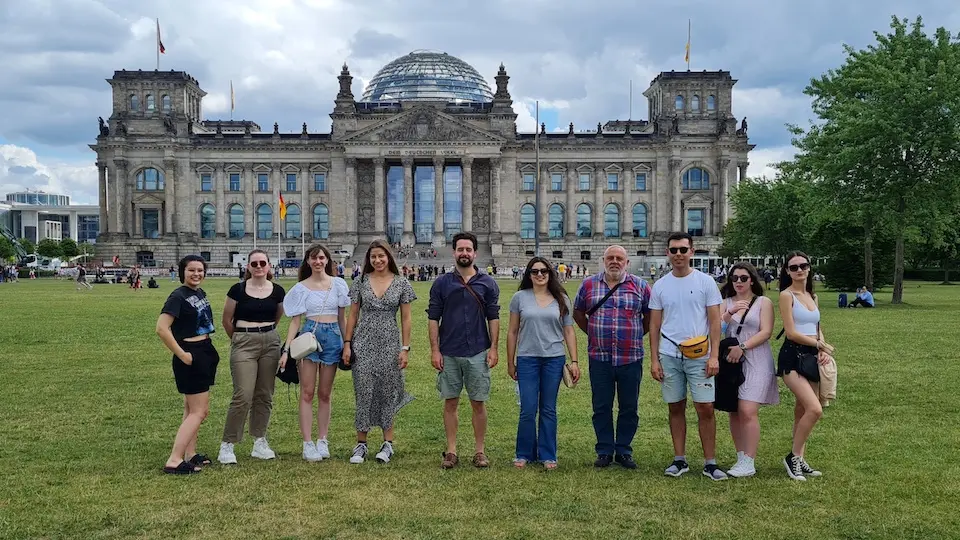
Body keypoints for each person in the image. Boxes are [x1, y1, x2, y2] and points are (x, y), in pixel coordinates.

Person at [649, 232, 727, 480]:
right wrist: (654, 359)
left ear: (692, 252)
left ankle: (710, 462)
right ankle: (679, 459)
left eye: (683, 250)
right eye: (674, 250)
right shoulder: (660, 285)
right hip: (670, 355)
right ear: (667, 253)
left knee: (705, 407)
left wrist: (714, 356)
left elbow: (715, 322)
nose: (679, 254)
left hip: (700, 355)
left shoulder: (706, 282)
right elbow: (654, 326)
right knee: (675, 406)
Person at [573, 246, 651, 469]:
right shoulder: (589, 285)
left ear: (627, 263)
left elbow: (650, 317)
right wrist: (594, 333)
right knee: (601, 405)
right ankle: (605, 450)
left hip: (631, 356)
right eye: (610, 258)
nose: (614, 262)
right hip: (600, 357)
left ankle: (624, 450)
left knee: (629, 406)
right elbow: (578, 312)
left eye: (619, 258)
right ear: (603, 261)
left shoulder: (641, 286)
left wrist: (635, 334)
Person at [428, 232, 500, 469]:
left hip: (478, 351)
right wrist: (435, 350)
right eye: (460, 249)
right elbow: (433, 319)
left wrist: (494, 349)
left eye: (468, 250)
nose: (464, 253)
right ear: (454, 252)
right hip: (449, 351)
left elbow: (494, 317)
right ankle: (451, 451)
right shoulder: (441, 283)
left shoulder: (487, 283)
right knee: (450, 402)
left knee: (478, 403)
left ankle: (479, 451)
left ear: (475, 253)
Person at [341, 240, 417, 464]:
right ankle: (361, 444)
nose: (378, 260)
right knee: (363, 391)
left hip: (390, 343)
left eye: (381, 256)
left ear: (389, 257)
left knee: (388, 392)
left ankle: (387, 444)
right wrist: (347, 343)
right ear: (369, 259)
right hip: (362, 343)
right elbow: (352, 315)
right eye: (373, 257)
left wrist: (405, 348)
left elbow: (406, 318)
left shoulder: (402, 283)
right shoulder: (360, 281)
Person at [507, 257, 580, 469]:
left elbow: (569, 331)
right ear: (528, 275)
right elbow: (512, 332)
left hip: (554, 359)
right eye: (535, 271)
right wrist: (510, 362)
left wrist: (574, 360)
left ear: (551, 273)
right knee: (528, 408)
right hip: (527, 358)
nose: (540, 275)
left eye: (544, 271)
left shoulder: (561, 299)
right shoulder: (519, 298)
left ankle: (548, 454)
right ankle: (524, 453)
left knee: (548, 408)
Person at [280, 244, 350, 462]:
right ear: (308, 262)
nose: (318, 262)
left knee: (325, 394)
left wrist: (347, 343)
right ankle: (307, 442)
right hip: (309, 337)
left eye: (321, 258)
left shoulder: (338, 284)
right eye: (313, 258)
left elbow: (342, 318)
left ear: (327, 260)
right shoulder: (301, 288)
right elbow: (295, 321)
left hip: (333, 338)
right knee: (307, 392)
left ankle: (323, 439)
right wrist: (286, 349)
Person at [218, 249, 286, 465]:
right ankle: (228, 444)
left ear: (269, 266)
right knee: (243, 394)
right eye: (254, 263)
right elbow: (227, 319)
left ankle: (259, 440)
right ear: (248, 267)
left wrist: (265, 334)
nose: (258, 267)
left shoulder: (277, 291)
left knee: (265, 394)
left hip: (270, 342)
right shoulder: (237, 289)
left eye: (262, 263)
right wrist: (239, 338)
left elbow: (277, 316)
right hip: (244, 343)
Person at [155, 255, 219, 474]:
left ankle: (190, 454)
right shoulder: (178, 296)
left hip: (204, 351)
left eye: (200, 270)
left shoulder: (199, 293)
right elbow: (162, 328)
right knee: (199, 412)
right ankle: (174, 459)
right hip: (190, 354)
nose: (196, 274)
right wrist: (183, 355)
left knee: (193, 409)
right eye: (191, 270)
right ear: (182, 272)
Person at [778, 251, 834, 480]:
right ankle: (792, 457)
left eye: (803, 265)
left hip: (811, 356)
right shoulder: (786, 295)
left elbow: (817, 326)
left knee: (801, 411)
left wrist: (821, 347)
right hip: (792, 357)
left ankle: (800, 458)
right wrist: (818, 343)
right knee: (814, 409)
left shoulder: (812, 295)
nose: (799, 270)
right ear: (787, 271)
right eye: (793, 267)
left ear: (809, 268)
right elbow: (791, 333)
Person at [719, 263, 777, 478]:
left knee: (747, 409)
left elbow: (766, 332)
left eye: (743, 278)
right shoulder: (725, 302)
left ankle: (750, 461)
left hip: (756, 359)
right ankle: (741, 457)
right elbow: (717, 330)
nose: (739, 282)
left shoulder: (763, 302)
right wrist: (728, 313)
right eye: (735, 278)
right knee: (734, 410)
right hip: (731, 362)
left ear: (752, 279)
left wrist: (742, 347)